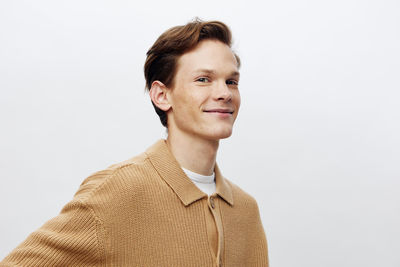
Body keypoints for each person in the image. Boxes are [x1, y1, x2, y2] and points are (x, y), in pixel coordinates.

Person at [0, 19, 269, 267]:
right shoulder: (118, 191)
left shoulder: (246, 210)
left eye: (231, 81)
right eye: (203, 79)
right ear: (162, 95)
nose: (224, 93)